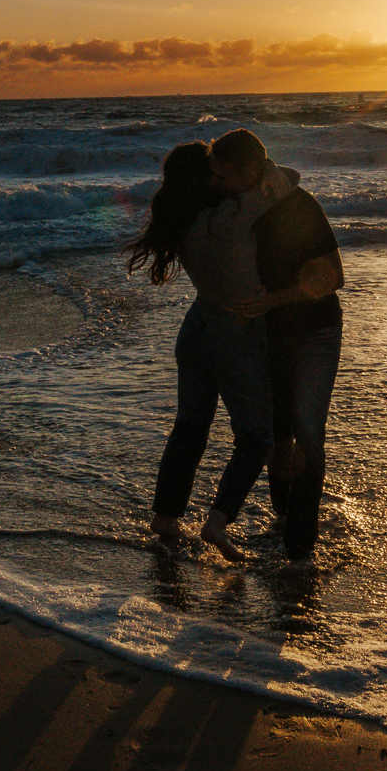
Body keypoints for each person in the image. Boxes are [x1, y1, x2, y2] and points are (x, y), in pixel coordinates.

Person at [124, 139, 291, 561]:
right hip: (234, 331)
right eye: (212, 173)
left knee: (190, 427)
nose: (218, 179)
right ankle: (217, 521)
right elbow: (287, 181)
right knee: (257, 437)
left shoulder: (182, 224)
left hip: (195, 328)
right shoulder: (229, 217)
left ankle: (166, 518)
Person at [211, 130, 344, 563]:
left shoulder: (298, 207)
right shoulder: (236, 207)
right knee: (277, 435)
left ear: (251, 171)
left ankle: (301, 550)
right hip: (266, 335)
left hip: (314, 332)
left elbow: (333, 277)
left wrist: (273, 299)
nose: (217, 181)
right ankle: (285, 518)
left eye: (224, 173)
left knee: (306, 432)